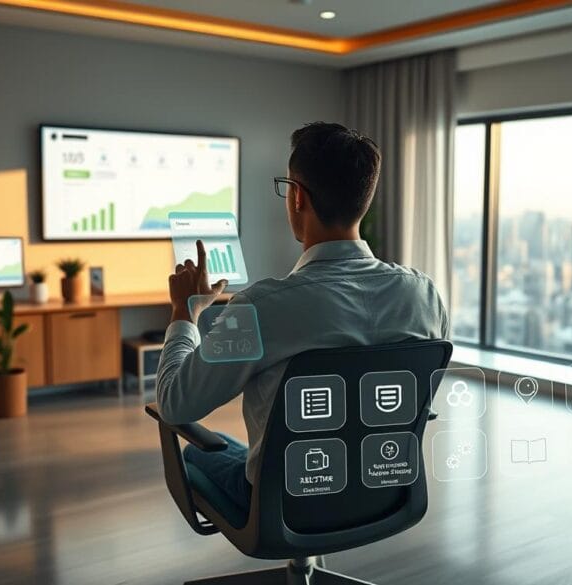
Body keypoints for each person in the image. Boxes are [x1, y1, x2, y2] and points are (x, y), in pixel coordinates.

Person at [156, 121, 448, 511]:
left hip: (286, 508)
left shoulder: (259, 308)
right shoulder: (424, 294)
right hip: (386, 493)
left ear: (297, 197)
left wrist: (184, 312)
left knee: (199, 454)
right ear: (364, 199)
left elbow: (176, 404)